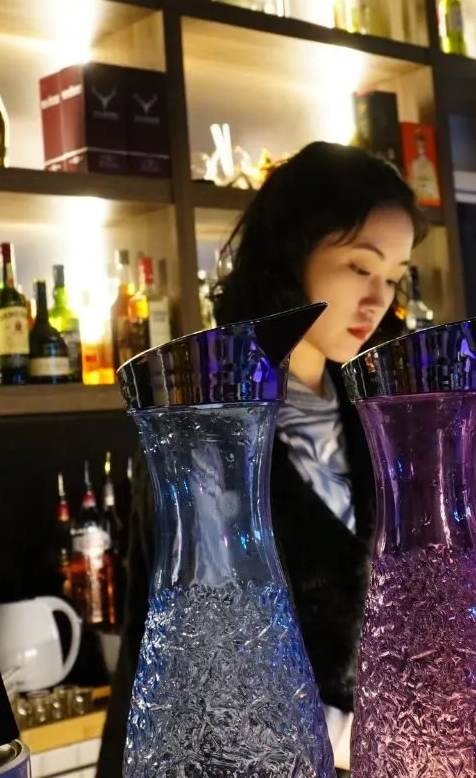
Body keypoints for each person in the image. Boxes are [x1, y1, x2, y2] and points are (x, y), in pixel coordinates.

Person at [98, 142, 427, 776]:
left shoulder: (370, 408)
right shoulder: (203, 417)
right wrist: (369, 741)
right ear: (289, 252)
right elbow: (207, 664)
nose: (378, 300)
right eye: (360, 266)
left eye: (393, 277)